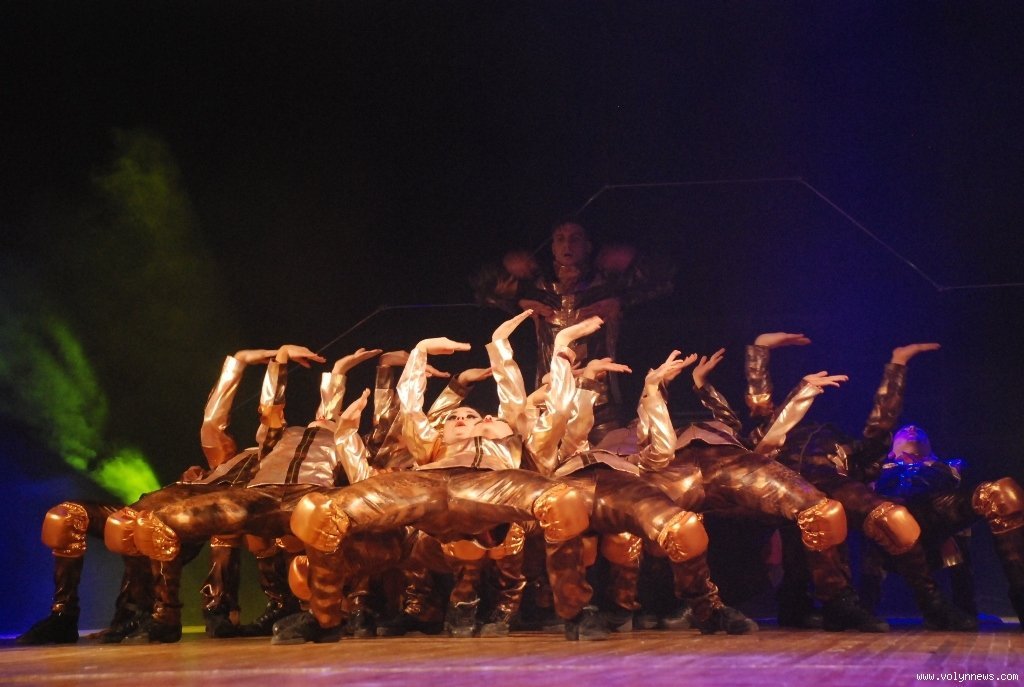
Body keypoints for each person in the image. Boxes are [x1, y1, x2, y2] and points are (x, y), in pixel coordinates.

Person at [474, 221, 673, 442]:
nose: (567, 245)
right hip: (550, 398)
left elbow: (664, 279)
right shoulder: (539, 290)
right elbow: (482, 290)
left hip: (602, 400)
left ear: (588, 246)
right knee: (546, 459)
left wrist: (622, 291)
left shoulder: (606, 285)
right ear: (552, 247)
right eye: (560, 239)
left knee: (611, 457)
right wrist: (518, 296)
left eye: (575, 239)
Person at [871, 424, 1024, 629]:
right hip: (889, 531)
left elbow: (945, 485)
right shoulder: (876, 470)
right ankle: (864, 606)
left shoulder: (948, 468)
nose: (912, 428)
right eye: (903, 432)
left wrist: (927, 465)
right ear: (891, 451)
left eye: (920, 432)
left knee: (1003, 491)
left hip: (937, 523)